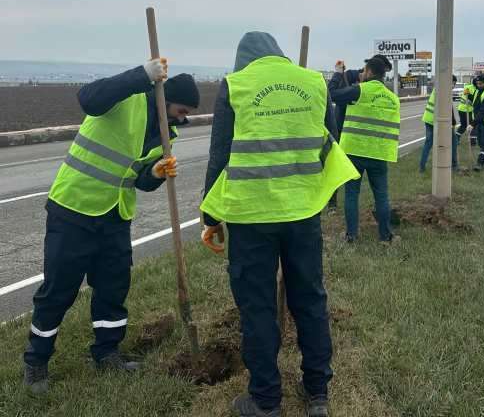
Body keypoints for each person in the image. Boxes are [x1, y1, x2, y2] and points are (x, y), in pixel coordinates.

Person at [201, 32, 359, 417]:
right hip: (303, 213)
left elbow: (220, 154)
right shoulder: (314, 82)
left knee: (257, 307)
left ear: (244, 60)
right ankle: (318, 393)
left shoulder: (235, 86)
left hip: (251, 217)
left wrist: (211, 215)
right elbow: (330, 139)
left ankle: (266, 400)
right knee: (311, 299)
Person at [22, 61, 199, 394]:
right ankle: (36, 361)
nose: (181, 117)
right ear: (165, 96)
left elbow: (141, 179)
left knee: (113, 289)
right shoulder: (123, 98)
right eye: (180, 110)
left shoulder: (166, 133)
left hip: (115, 217)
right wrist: (142, 75)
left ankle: (107, 353)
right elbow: (87, 98)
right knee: (59, 290)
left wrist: (156, 174)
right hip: (74, 208)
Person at [331, 57, 401, 244]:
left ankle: (351, 236)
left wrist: (338, 74)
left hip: (354, 151)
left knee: (352, 194)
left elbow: (332, 94)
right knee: (382, 195)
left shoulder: (359, 91)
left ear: (369, 72)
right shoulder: (393, 99)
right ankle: (385, 237)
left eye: (363, 71)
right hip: (379, 153)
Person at [419, 75, 459, 173]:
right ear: (451, 82)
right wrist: (453, 122)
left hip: (428, 118)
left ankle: (422, 167)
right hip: (436, 120)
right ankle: (454, 165)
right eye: (453, 83)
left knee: (428, 143)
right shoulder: (445, 90)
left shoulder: (439, 87)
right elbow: (449, 108)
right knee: (453, 141)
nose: (454, 86)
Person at [455, 78, 476, 146]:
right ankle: (472, 141)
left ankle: (456, 138)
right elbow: (470, 97)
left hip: (465, 109)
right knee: (472, 125)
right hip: (465, 110)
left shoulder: (471, 87)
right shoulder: (471, 88)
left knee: (464, 126)